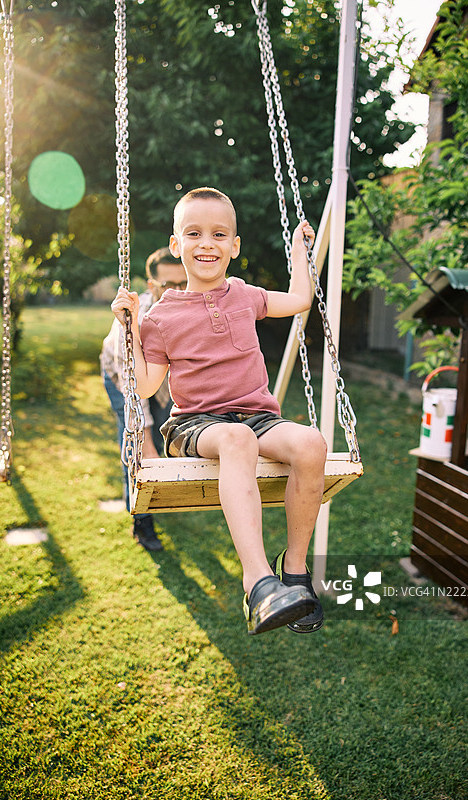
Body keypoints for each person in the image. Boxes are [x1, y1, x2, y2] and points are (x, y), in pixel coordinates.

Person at [111, 187, 327, 635]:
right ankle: (256, 582)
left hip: (258, 416)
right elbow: (148, 385)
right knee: (236, 439)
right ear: (176, 245)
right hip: (195, 424)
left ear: (234, 246)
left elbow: (300, 300)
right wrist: (129, 329)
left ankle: (293, 568)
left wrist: (300, 254)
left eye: (218, 234)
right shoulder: (161, 315)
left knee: (311, 443)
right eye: (194, 233)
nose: (206, 243)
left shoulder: (246, 295)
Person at [101, 247, 187, 551]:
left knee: (164, 440)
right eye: (169, 285)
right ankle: (141, 522)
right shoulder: (132, 318)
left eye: (183, 283)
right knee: (137, 446)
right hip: (121, 379)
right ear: (152, 286)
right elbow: (132, 387)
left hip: (159, 382)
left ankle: (163, 495)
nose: (178, 291)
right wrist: (145, 439)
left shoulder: (192, 307)